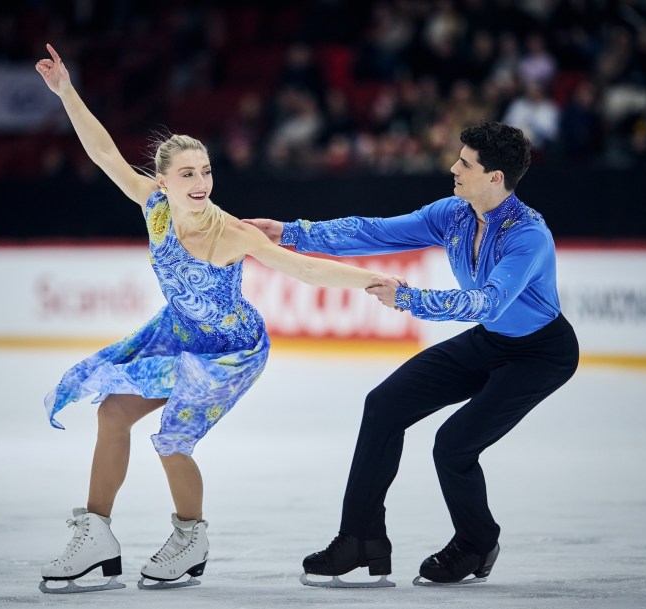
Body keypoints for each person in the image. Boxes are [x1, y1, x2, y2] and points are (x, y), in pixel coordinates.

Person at [33, 44, 393, 593]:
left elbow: (305, 271)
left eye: (205, 171)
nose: (200, 183)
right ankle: (97, 535)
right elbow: (105, 153)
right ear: (164, 180)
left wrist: (372, 281)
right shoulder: (153, 206)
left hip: (230, 351)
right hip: (178, 333)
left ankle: (190, 537)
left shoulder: (231, 234)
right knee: (111, 413)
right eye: (187, 174)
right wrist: (66, 93)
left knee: (172, 438)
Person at [245, 121, 579, 587]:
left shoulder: (528, 237)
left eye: (465, 163)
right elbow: (376, 232)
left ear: (495, 178)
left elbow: (488, 302)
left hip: (541, 355)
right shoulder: (455, 214)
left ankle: (477, 543)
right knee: (384, 405)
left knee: (454, 444)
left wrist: (410, 300)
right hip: (490, 342)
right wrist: (290, 233)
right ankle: (361, 539)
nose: (453, 168)